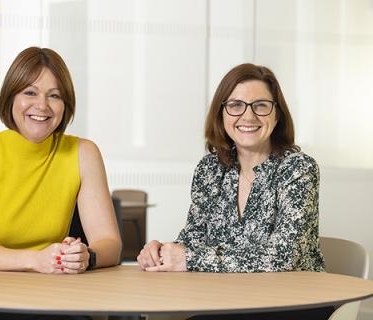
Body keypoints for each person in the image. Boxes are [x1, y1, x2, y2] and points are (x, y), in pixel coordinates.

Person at [0, 47, 122, 320]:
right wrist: (37, 260)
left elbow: (110, 243)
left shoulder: (84, 153)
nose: (42, 105)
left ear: (65, 105)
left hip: (51, 294)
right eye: (29, 92)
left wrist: (86, 256)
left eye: (54, 96)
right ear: (11, 97)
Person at [137, 63, 333, 319]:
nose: (248, 117)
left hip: (295, 302)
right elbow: (194, 241)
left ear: (277, 114)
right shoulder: (210, 169)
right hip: (228, 300)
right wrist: (162, 252)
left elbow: (284, 257)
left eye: (261, 105)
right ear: (221, 114)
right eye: (235, 105)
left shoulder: (298, 169)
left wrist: (190, 259)